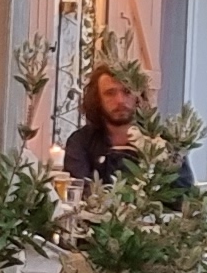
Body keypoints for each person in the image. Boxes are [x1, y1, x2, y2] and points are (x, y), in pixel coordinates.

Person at [63, 62, 193, 191]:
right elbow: (78, 190)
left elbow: (183, 192)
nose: (120, 100)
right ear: (97, 99)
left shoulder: (164, 140)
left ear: (139, 96)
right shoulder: (81, 142)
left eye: (127, 91)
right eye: (110, 93)